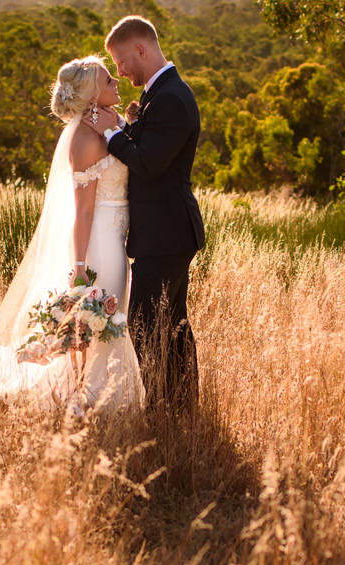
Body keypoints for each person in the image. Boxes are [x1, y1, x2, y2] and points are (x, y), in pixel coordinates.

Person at [0, 56, 144, 416]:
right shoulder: (84, 138)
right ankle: (91, 395)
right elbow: (82, 211)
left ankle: (94, 390)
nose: (117, 83)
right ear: (93, 94)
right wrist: (80, 267)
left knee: (108, 317)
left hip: (117, 235)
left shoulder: (109, 123)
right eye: (108, 79)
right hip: (101, 242)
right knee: (103, 318)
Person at [84, 15, 204, 414]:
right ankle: (180, 406)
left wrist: (113, 133)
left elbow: (149, 163)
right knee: (172, 326)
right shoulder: (161, 93)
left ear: (141, 49)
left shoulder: (171, 96)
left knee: (144, 325)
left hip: (167, 232)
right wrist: (127, 126)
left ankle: (163, 408)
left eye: (120, 63)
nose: (120, 72)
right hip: (164, 232)